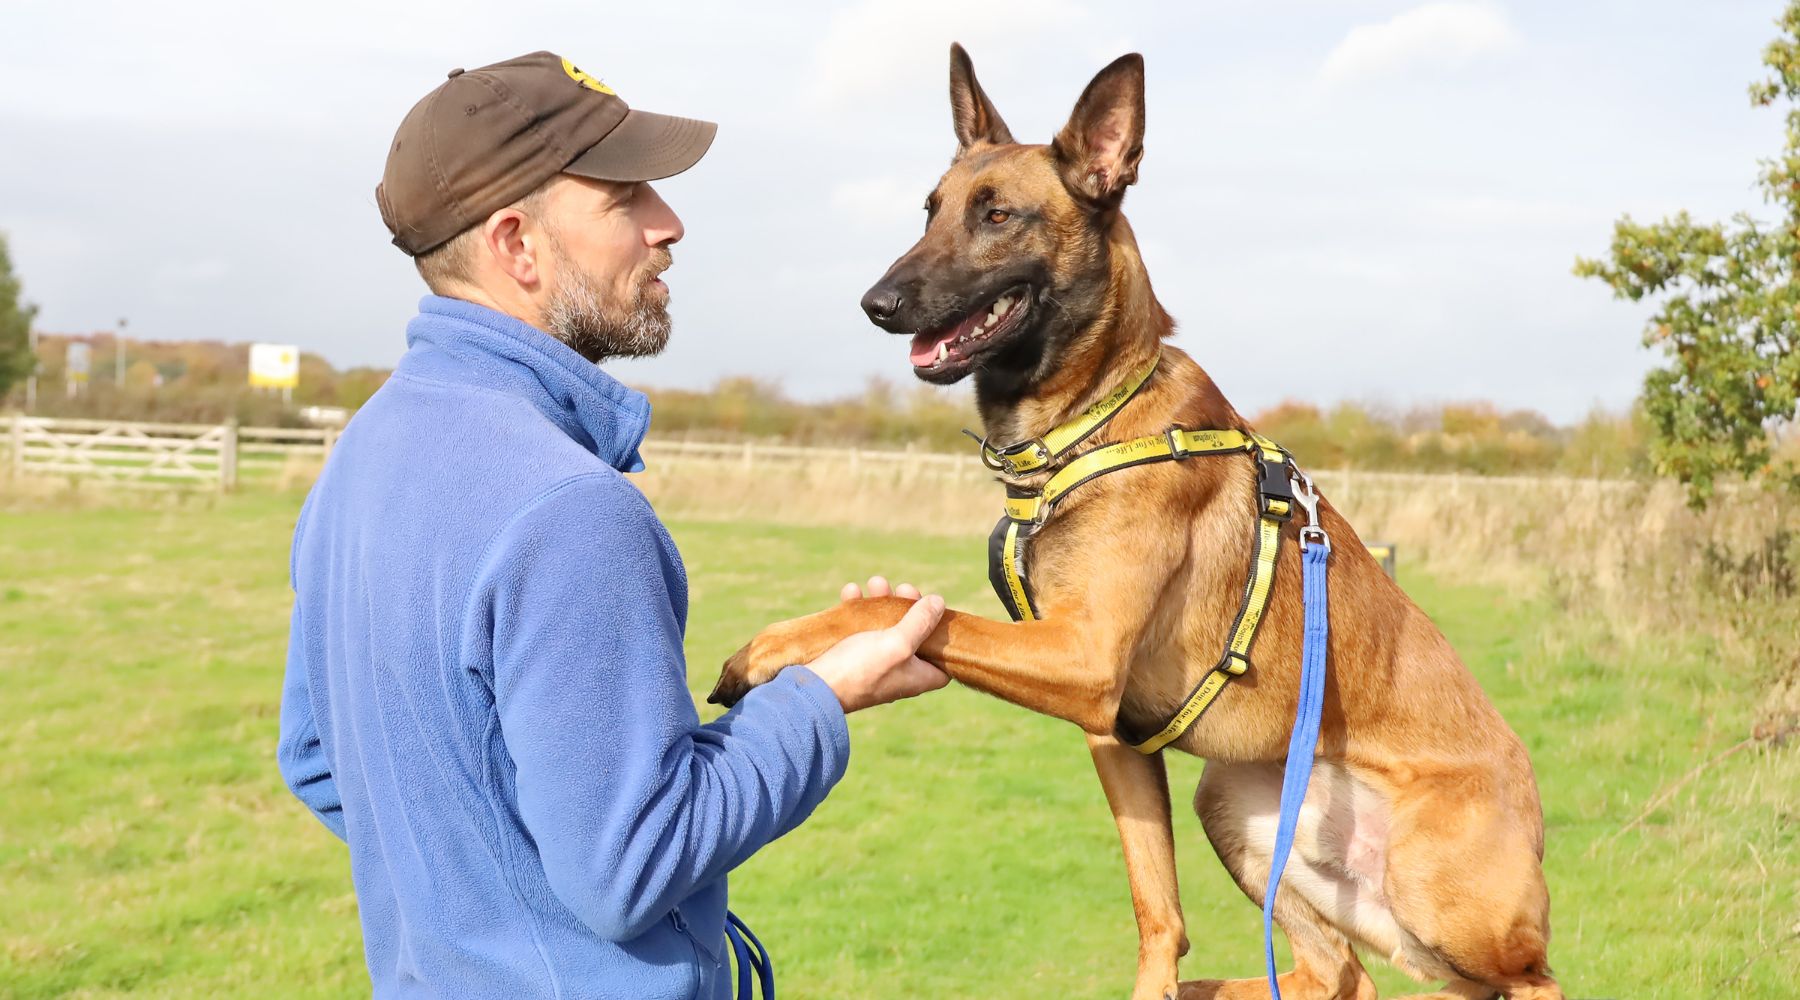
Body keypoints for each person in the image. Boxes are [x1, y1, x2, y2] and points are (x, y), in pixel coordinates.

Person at [276, 51, 949, 1000]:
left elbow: (317, 757)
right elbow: (633, 862)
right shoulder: (569, 509)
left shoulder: (361, 454)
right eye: (625, 197)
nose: (667, 225)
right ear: (518, 244)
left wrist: (492, 899)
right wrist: (820, 698)